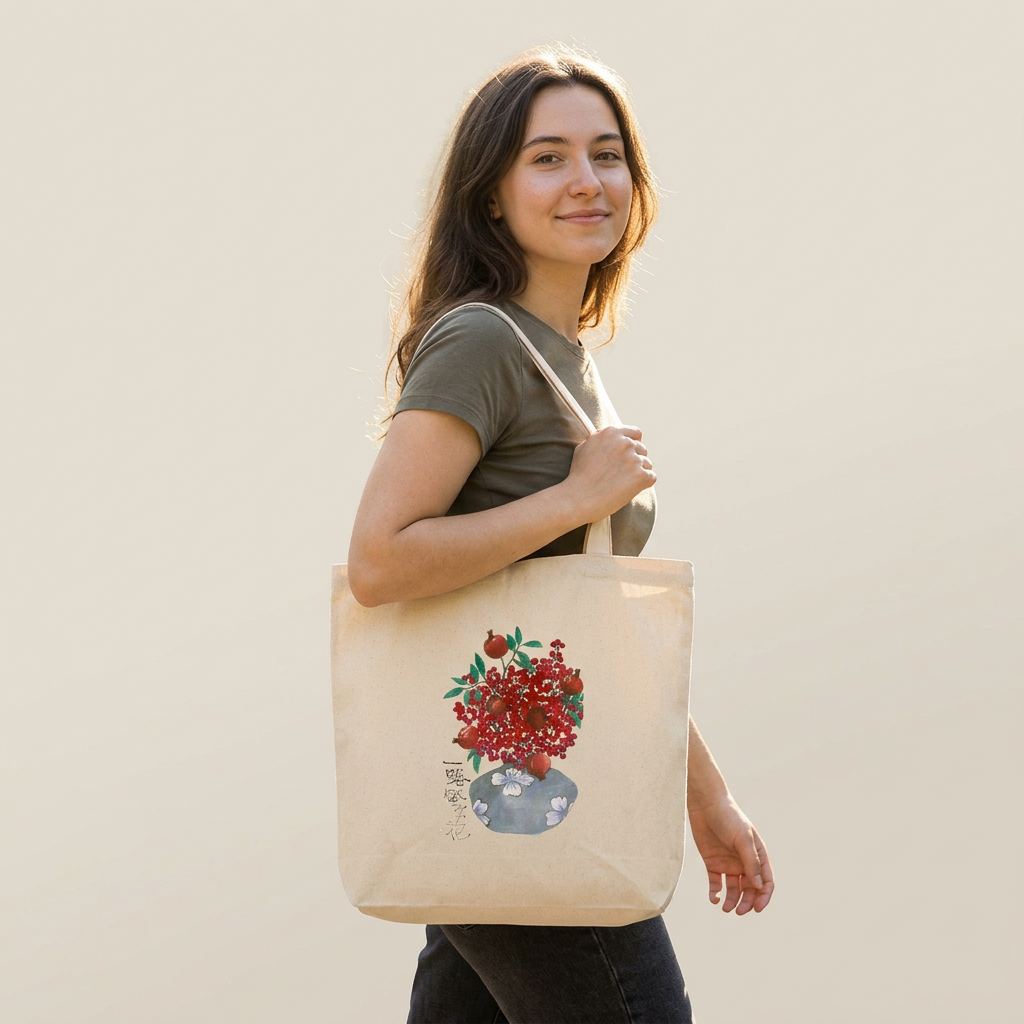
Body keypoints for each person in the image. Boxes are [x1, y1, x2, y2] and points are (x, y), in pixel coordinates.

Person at [348, 45, 774, 1024]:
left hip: (514, 781)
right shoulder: (482, 341)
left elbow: (596, 621)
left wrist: (703, 796)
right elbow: (380, 559)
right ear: (491, 195)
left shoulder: (562, 359)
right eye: (547, 157)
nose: (587, 180)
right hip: (526, 794)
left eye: (607, 154)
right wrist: (574, 499)